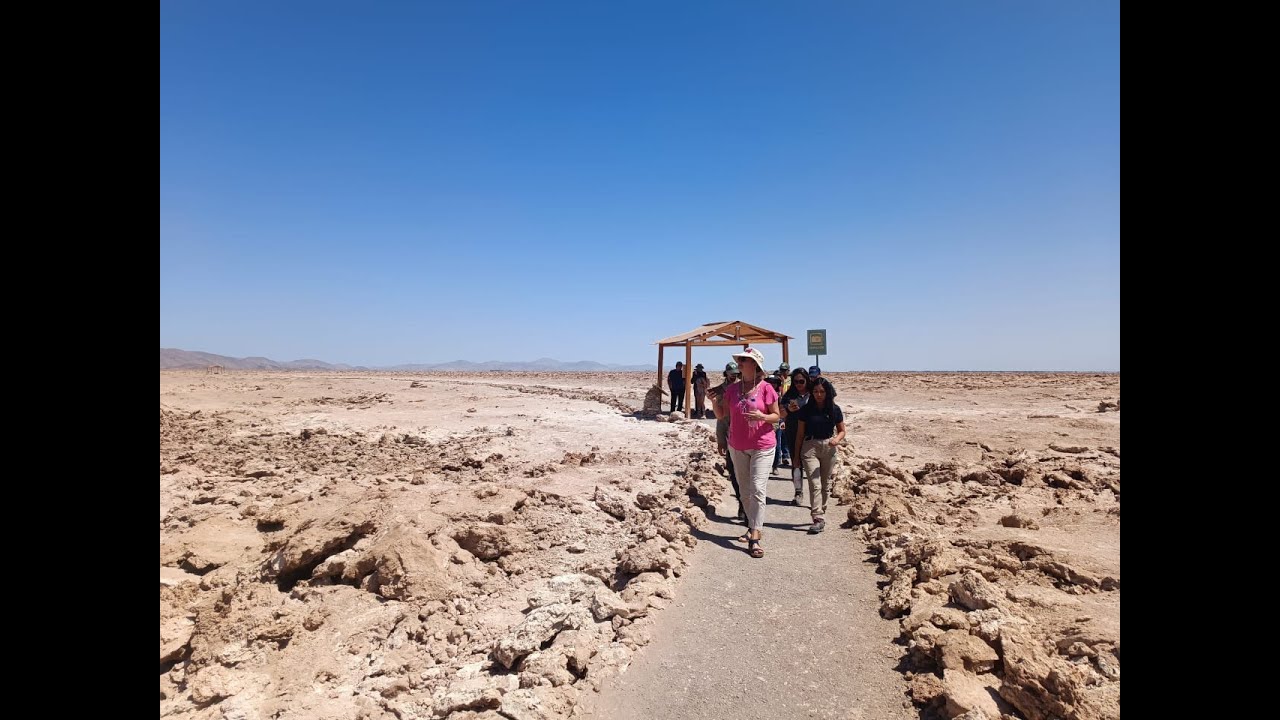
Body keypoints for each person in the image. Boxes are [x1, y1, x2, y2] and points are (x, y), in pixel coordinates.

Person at [725, 347, 781, 558]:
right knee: (744, 491)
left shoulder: (767, 389)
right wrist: (713, 401)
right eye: (739, 359)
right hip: (737, 445)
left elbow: (777, 415)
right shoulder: (732, 389)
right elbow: (722, 415)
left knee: (757, 489)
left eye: (744, 359)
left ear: (754, 365)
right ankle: (752, 525)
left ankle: (755, 536)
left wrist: (762, 417)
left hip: (763, 445)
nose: (739, 362)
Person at [792, 377, 846, 534]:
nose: (819, 394)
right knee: (814, 484)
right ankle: (817, 517)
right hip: (810, 448)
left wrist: (836, 439)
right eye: (815, 391)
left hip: (829, 448)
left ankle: (821, 509)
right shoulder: (806, 410)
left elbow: (842, 430)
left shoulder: (834, 409)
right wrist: (796, 457)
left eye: (822, 391)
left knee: (825, 484)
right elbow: (800, 434)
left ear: (827, 392)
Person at [709, 362, 745, 521]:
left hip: (745, 435)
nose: (734, 376)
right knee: (733, 471)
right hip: (730, 436)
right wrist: (721, 440)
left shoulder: (745, 388)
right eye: (731, 373)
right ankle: (741, 502)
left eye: (736, 374)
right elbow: (721, 418)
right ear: (726, 373)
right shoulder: (720, 391)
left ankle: (746, 506)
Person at [778, 368, 812, 504]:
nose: (798, 384)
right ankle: (798, 492)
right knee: (796, 462)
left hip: (811, 433)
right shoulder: (789, 395)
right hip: (793, 432)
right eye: (796, 381)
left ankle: (816, 496)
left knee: (812, 464)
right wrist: (788, 409)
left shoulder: (814, 394)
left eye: (801, 381)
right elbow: (780, 414)